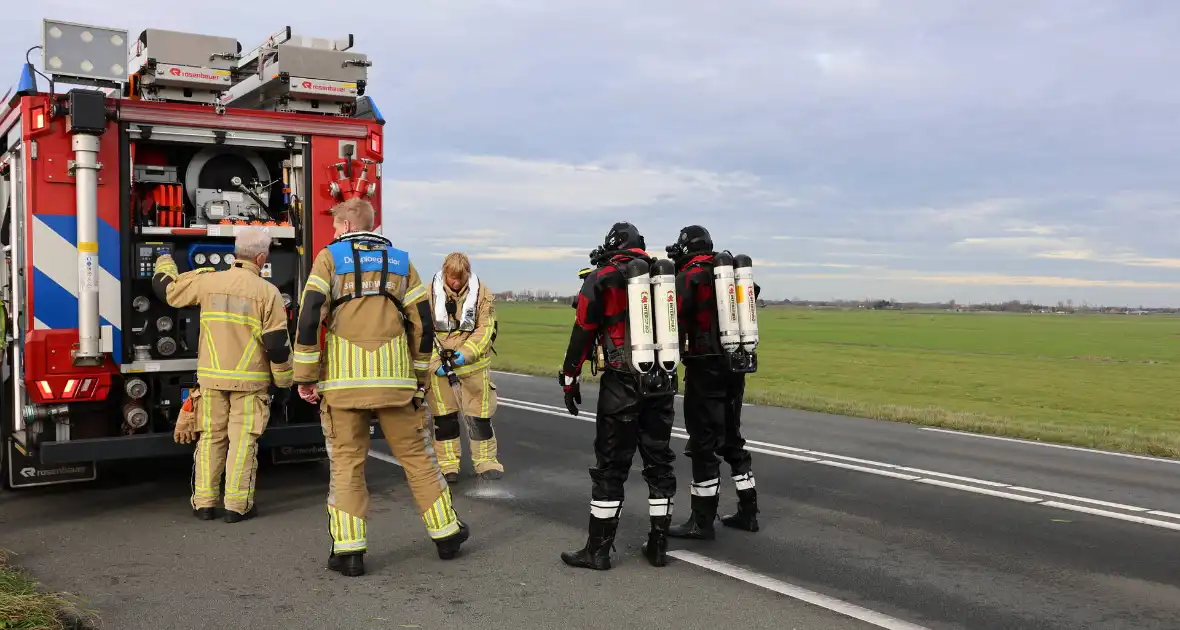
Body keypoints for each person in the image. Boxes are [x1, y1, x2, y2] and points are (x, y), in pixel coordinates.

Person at [292, 197, 470, 578]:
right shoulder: (402, 263)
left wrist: (305, 376)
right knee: (419, 460)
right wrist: (419, 378)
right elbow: (422, 324)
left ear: (341, 225)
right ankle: (447, 534)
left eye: (335, 225)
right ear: (372, 226)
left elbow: (309, 317)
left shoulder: (328, 259)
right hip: (397, 386)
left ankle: (349, 551)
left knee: (346, 464)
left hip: (343, 387)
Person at [557, 221, 678, 570]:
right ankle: (658, 546)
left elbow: (582, 330)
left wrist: (569, 378)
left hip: (621, 382)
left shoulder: (601, 277)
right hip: (663, 380)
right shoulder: (664, 277)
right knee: (660, 463)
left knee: (610, 466)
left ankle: (598, 550)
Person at [151, 227, 293, 523]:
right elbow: (278, 347)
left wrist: (165, 259)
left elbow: (167, 290)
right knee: (242, 442)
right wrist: (284, 382)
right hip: (250, 383)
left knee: (211, 438)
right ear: (262, 257)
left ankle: (204, 503)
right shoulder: (269, 293)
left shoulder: (209, 282)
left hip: (211, 379)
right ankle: (236, 507)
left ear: (235, 253)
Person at [663, 225, 761, 540]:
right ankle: (749, 511)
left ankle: (701, 521)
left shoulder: (688, 277)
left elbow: (671, 316)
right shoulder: (729, 275)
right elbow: (753, 293)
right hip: (736, 365)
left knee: (703, 444)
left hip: (704, 368)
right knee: (732, 437)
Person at [426, 252, 502, 482]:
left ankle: (486, 462)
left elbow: (485, 329)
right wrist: (435, 362)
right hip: (440, 369)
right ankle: (448, 466)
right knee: (444, 420)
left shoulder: (483, 294)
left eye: (460, 278)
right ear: (445, 274)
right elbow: (419, 331)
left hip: (473, 369)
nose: (456, 283)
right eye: (452, 278)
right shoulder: (427, 293)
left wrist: (464, 354)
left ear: (467, 274)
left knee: (480, 418)